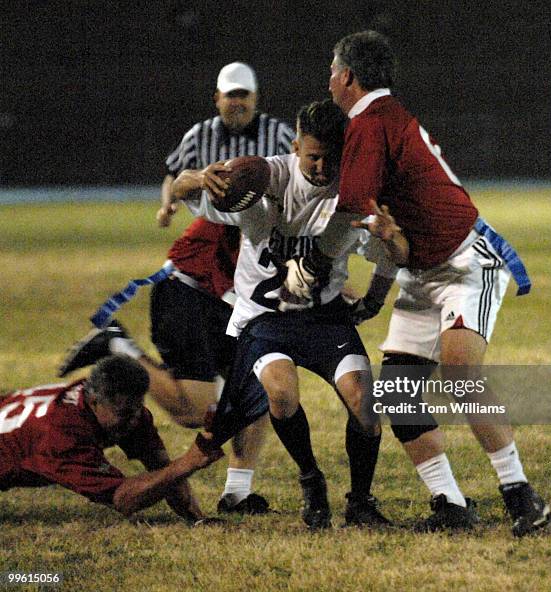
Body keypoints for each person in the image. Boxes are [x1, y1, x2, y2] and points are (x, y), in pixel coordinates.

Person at [284, 31, 551, 537]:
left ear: (347, 76)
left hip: (465, 261)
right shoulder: (377, 121)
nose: (329, 79)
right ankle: (450, 502)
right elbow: (383, 221)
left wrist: (314, 264)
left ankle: (521, 495)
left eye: (332, 70)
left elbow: (351, 207)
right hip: (421, 271)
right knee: (398, 396)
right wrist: (377, 294)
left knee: (460, 375)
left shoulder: (370, 120)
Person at [67, 62, 296, 516]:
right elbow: (182, 175)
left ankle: (237, 492)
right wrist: (174, 197)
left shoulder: (283, 145)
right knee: (195, 410)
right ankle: (117, 344)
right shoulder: (206, 142)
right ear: (218, 98)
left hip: (230, 293)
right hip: (189, 288)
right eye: (229, 95)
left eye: (243, 96)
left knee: (260, 387)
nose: (236, 103)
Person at [170, 99, 393, 530]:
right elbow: (182, 187)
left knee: (365, 407)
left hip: (325, 317)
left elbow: (391, 254)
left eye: (332, 157)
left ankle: (361, 501)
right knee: (282, 394)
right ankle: (311, 479)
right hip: (264, 319)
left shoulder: (355, 191)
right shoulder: (261, 179)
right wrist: (200, 176)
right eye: (313, 156)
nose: (323, 167)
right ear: (295, 148)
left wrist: (374, 299)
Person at [0, 355, 222, 520]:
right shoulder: (62, 433)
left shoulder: (122, 408)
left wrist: (198, 519)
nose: (134, 421)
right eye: (125, 414)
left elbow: (162, 468)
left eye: (138, 409)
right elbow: (123, 499)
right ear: (94, 402)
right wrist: (187, 463)